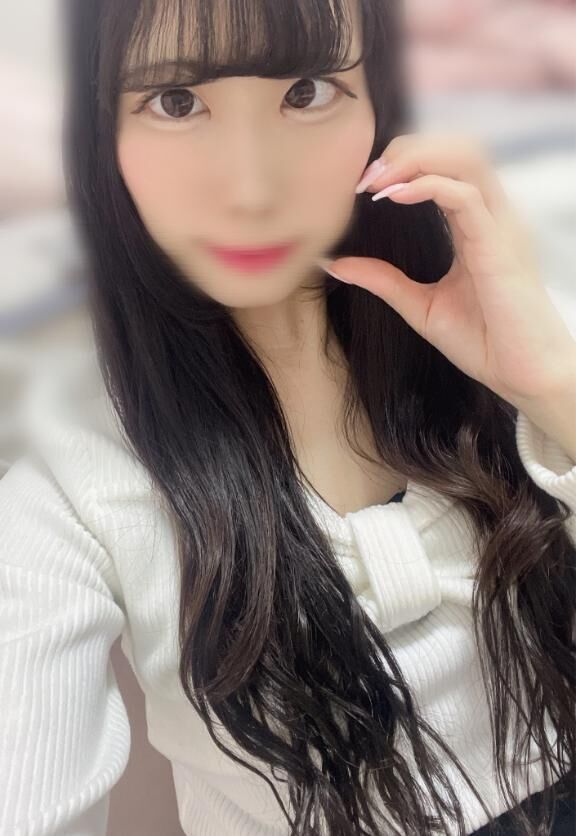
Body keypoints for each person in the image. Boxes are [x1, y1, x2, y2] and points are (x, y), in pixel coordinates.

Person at [1, 1, 575, 834]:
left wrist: (551, 387)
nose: (251, 186)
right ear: (104, 133)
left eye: (305, 91)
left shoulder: (508, 316)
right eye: (175, 101)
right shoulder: (71, 482)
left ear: (379, 103)